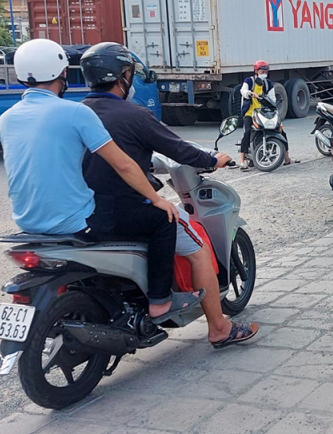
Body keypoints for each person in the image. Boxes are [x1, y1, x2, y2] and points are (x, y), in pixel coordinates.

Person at [0, 39, 202, 325]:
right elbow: (123, 164)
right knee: (163, 219)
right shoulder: (75, 112)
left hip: (27, 223)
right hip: (77, 222)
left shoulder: (6, 119)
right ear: (63, 74)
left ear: (20, 75)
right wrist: (157, 199)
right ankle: (160, 302)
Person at [80, 42, 258, 348]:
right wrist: (212, 160)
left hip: (83, 212)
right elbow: (175, 147)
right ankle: (216, 326)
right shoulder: (133, 114)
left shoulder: (78, 112)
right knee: (192, 242)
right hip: (123, 211)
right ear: (124, 75)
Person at [238, 60, 296, 171]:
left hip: (263, 112)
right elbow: (243, 91)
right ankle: (242, 160)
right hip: (250, 112)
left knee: (280, 130)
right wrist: (250, 93)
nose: (264, 73)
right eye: (262, 71)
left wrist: (270, 102)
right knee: (247, 132)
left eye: (266, 71)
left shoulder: (268, 84)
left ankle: (287, 158)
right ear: (256, 71)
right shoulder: (249, 81)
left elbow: (273, 99)